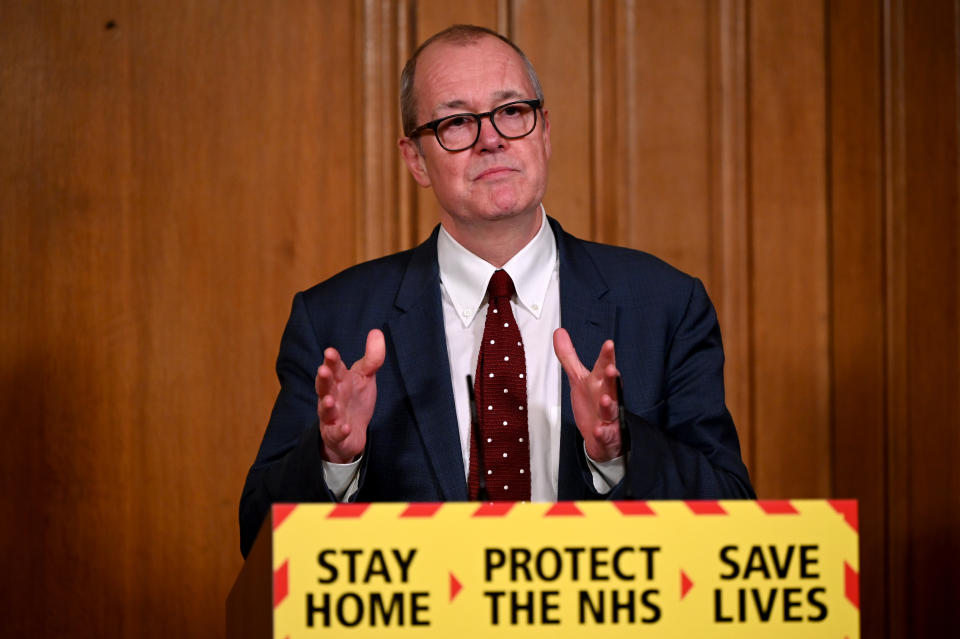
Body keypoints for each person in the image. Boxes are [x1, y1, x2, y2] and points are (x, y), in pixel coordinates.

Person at [239, 25, 754, 558]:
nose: (492, 138)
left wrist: (620, 452)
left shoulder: (666, 306)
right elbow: (256, 539)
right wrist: (334, 460)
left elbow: (734, 518)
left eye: (512, 111)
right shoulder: (334, 321)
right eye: (457, 122)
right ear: (415, 159)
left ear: (545, 131)